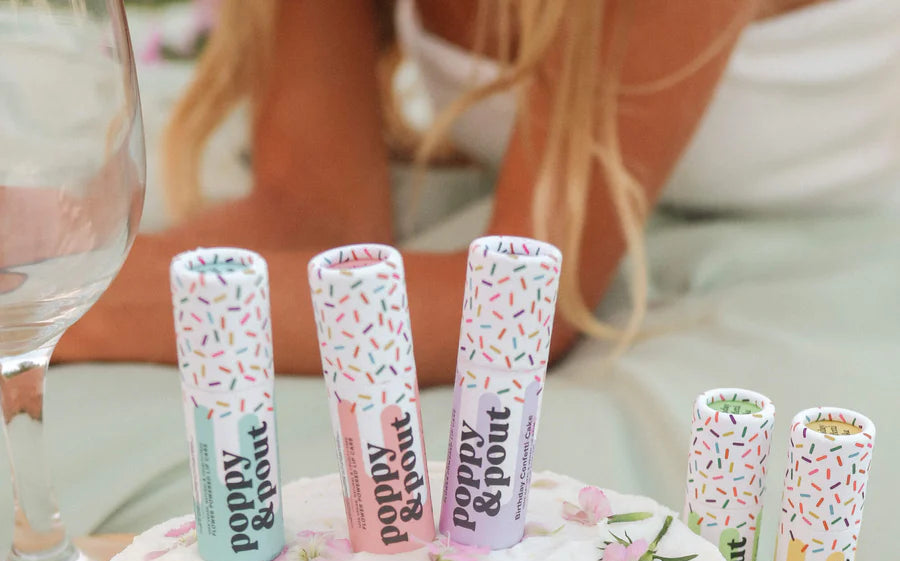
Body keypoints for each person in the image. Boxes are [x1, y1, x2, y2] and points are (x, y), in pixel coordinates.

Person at [54, 0, 841, 384]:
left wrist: (86, 303)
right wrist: (53, 253)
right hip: (544, 226)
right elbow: (314, 211)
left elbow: (513, 310)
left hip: (815, 263)